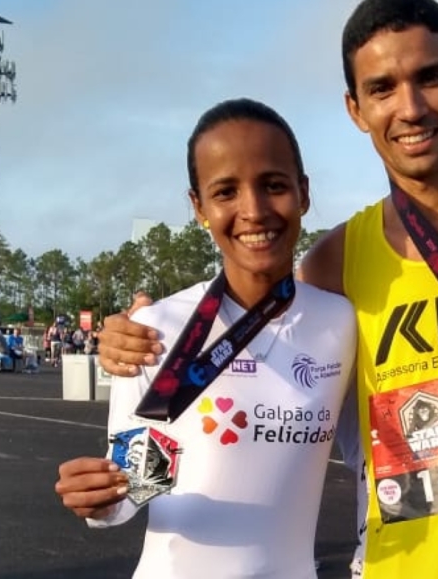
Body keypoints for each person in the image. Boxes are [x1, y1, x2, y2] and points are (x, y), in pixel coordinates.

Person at [96, 1, 438, 577]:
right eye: (382, 88)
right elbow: (250, 342)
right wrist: (135, 336)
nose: (411, 107)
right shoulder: (334, 260)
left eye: (429, 77)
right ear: (355, 109)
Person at [54, 98, 357, 579]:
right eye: (225, 192)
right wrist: (100, 498)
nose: (254, 211)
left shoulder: (340, 323)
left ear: (303, 192)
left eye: (273, 186)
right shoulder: (155, 330)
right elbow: (133, 486)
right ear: (198, 207)